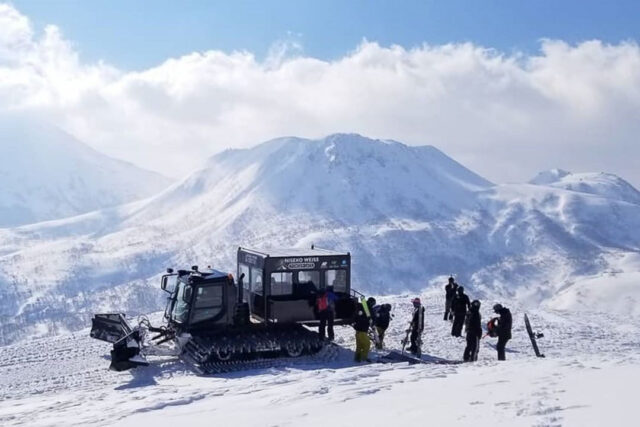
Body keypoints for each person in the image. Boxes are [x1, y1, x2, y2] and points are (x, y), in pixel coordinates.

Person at [353, 297, 374, 362]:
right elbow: (367, 318)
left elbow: (359, 317)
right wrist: (369, 320)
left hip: (358, 329)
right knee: (367, 344)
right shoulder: (367, 309)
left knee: (359, 345)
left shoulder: (362, 307)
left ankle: (357, 358)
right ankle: (363, 358)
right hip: (362, 330)